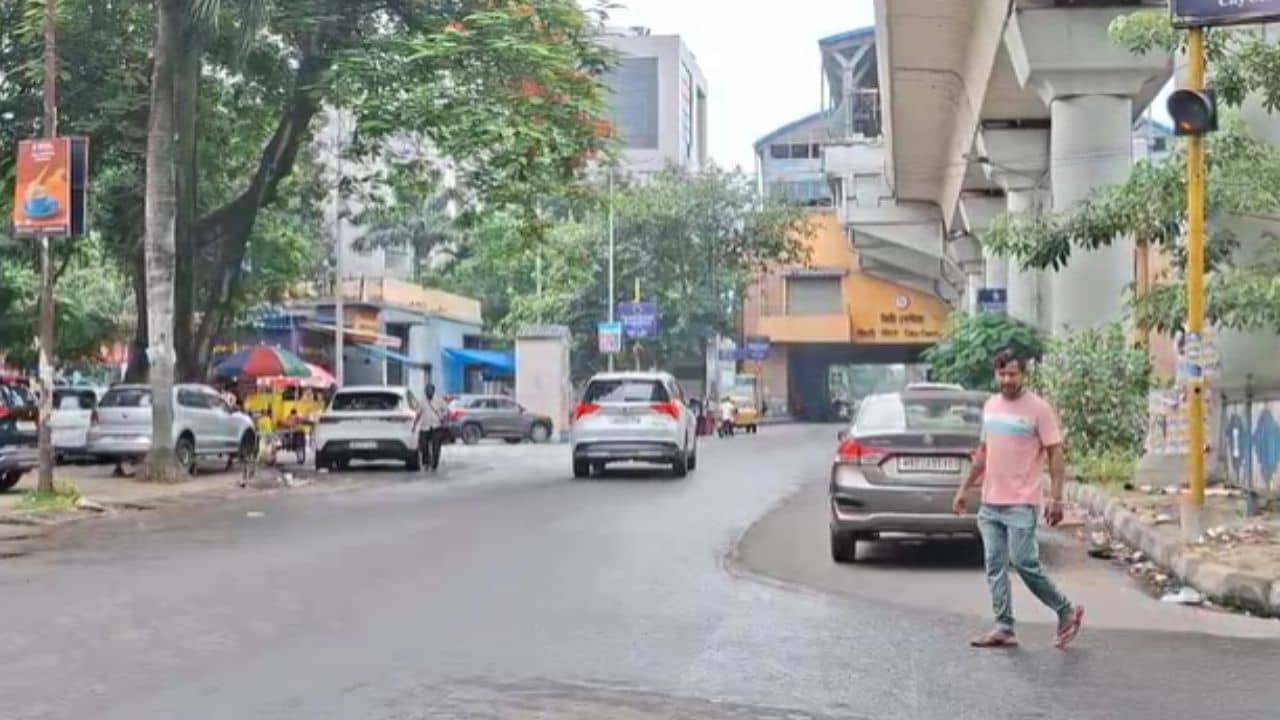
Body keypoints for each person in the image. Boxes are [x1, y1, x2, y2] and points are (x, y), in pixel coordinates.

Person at [952, 349, 1084, 649]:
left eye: (1013, 374)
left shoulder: (1038, 409)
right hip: (990, 502)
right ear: (996, 374)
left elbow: (1055, 453)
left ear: (1023, 374)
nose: (1007, 380)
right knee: (994, 565)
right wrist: (964, 489)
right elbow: (983, 452)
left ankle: (1065, 610)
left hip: (1021, 501)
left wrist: (1057, 498)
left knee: (1024, 562)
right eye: (1002, 374)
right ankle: (1004, 626)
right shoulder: (991, 406)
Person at [420, 383, 448, 471]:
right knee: (424, 446)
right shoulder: (422, 401)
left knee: (436, 447)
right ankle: (426, 462)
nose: (428, 393)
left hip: (437, 426)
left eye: (430, 391)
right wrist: (414, 426)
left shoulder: (439, 400)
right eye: (427, 391)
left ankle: (434, 464)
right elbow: (418, 413)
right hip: (425, 427)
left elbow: (446, 410)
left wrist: (443, 417)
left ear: (433, 391)